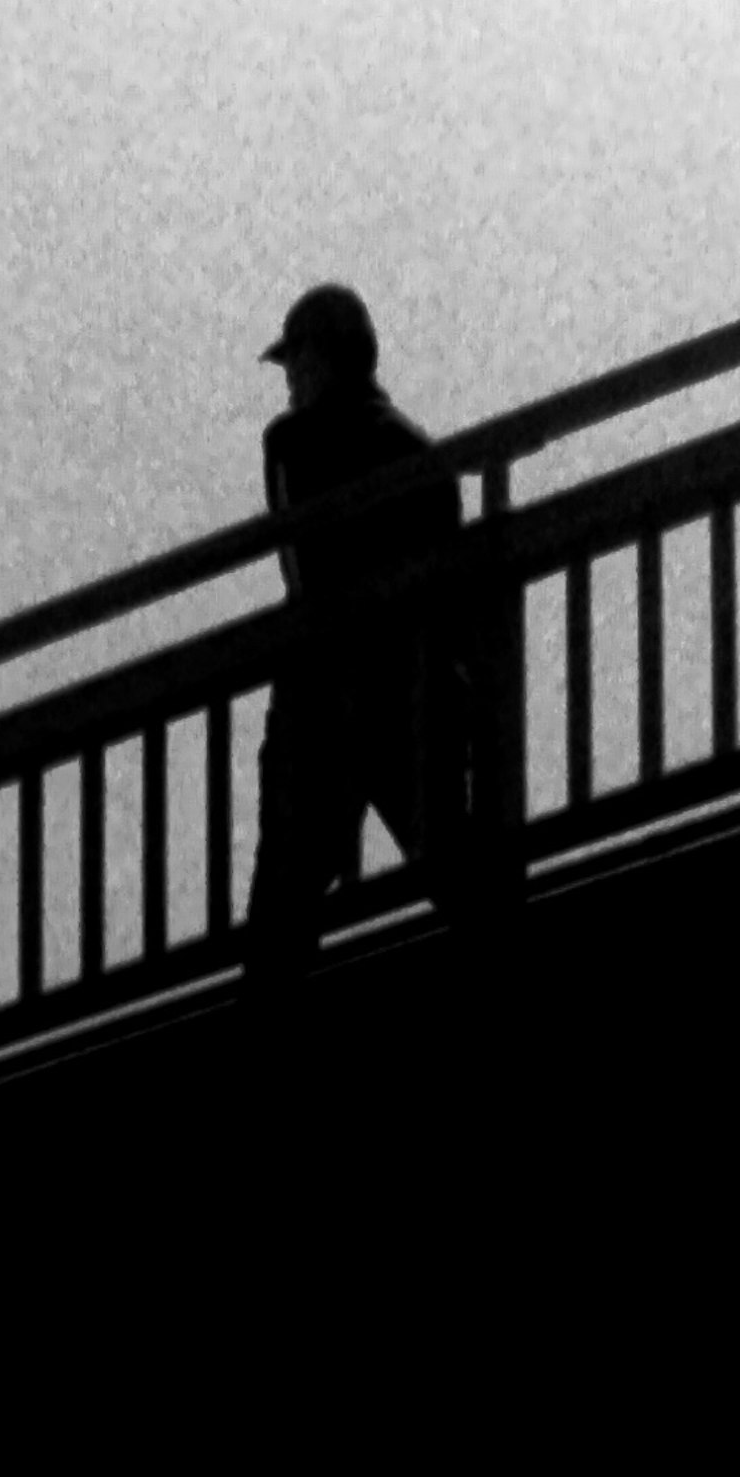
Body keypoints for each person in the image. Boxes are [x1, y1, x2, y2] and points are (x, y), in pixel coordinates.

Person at [242, 281, 473, 999]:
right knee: (459, 869)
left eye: (295, 360)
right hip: (417, 687)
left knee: (285, 903)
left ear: (326, 357)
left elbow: (302, 573)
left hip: (323, 696)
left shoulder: (291, 443)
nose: (289, 378)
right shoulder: (419, 451)